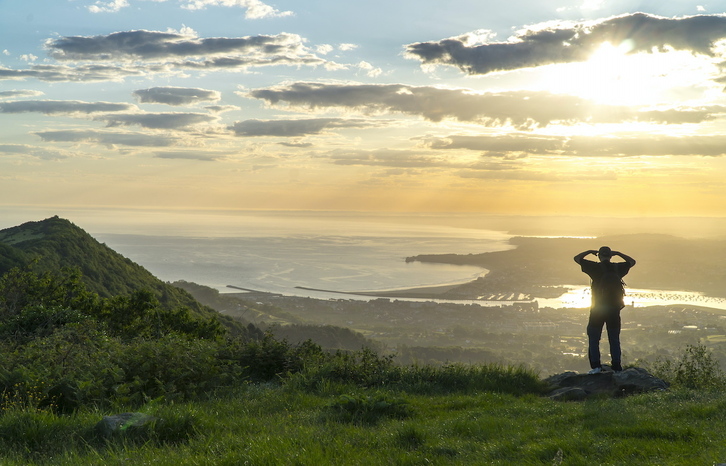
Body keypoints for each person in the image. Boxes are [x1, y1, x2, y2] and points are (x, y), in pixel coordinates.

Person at [574, 246, 636, 374]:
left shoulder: (594, 268)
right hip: (614, 310)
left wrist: (588, 251)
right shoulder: (618, 268)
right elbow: (632, 261)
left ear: (599, 255)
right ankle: (617, 367)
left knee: (594, 337)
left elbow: (577, 258)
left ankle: (596, 366)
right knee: (614, 338)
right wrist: (619, 253)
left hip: (597, 310)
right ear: (611, 255)